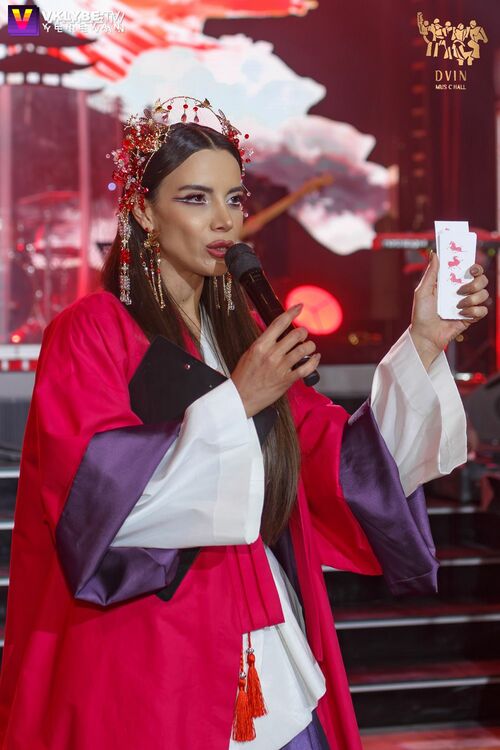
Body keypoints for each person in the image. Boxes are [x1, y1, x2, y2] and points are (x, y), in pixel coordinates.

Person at [0, 96, 490, 750]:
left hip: (266, 630)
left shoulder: (244, 334)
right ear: (143, 210)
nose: (223, 220)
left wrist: (425, 340)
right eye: (195, 198)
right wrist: (239, 400)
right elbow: (96, 502)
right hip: (150, 652)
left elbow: (340, 462)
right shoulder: (92, 331)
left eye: (233, 199)